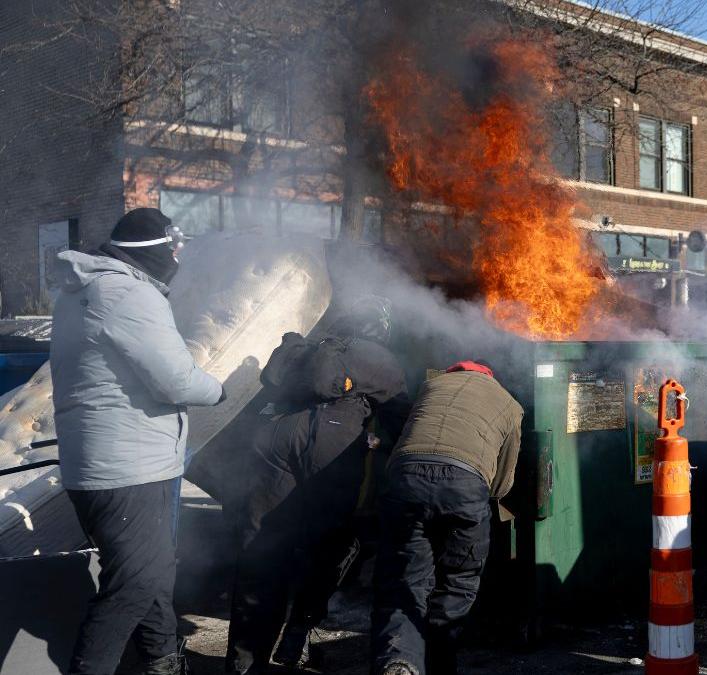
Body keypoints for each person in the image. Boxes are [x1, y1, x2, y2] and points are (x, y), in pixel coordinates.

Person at [50, 208, 223, 675]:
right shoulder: (129, 293)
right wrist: (220, 389)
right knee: (132, 585)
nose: (178, 255)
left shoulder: (80, 291)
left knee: (151, 572)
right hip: (130, 469)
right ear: (153, 248)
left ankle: (163, 659)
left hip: (97, 463)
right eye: (173, 246)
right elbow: (177, 380)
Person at [227, 298, 411, 675]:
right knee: (334, 545)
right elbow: (402, 420)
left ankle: (245, 664)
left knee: (263, 552)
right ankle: (299, 628)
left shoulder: (311, 350)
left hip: (272, 444)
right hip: (331, 452)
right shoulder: (382, 361)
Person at [372, 360, 523, 675]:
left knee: (405, 580)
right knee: (458, 581)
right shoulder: (509, 404)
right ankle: (441, 666)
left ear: (455, 372)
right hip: (465, 487)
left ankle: (400, 661)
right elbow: (503, 483)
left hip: (405, 479)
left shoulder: (431, 386)